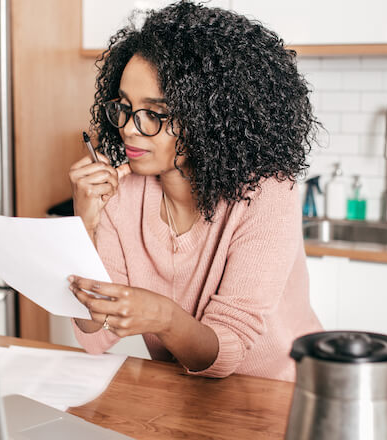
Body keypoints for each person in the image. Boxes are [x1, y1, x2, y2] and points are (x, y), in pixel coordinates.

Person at [67, 1, 322, 382]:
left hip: (284, 394)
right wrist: (84, 224)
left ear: (210, 119)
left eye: (154, 113)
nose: (130, 129)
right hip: (187, 395)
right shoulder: (122, 196)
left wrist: (163, 317)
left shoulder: (267, 192)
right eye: (125, 107)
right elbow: (95, 333)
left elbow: (228, 349)